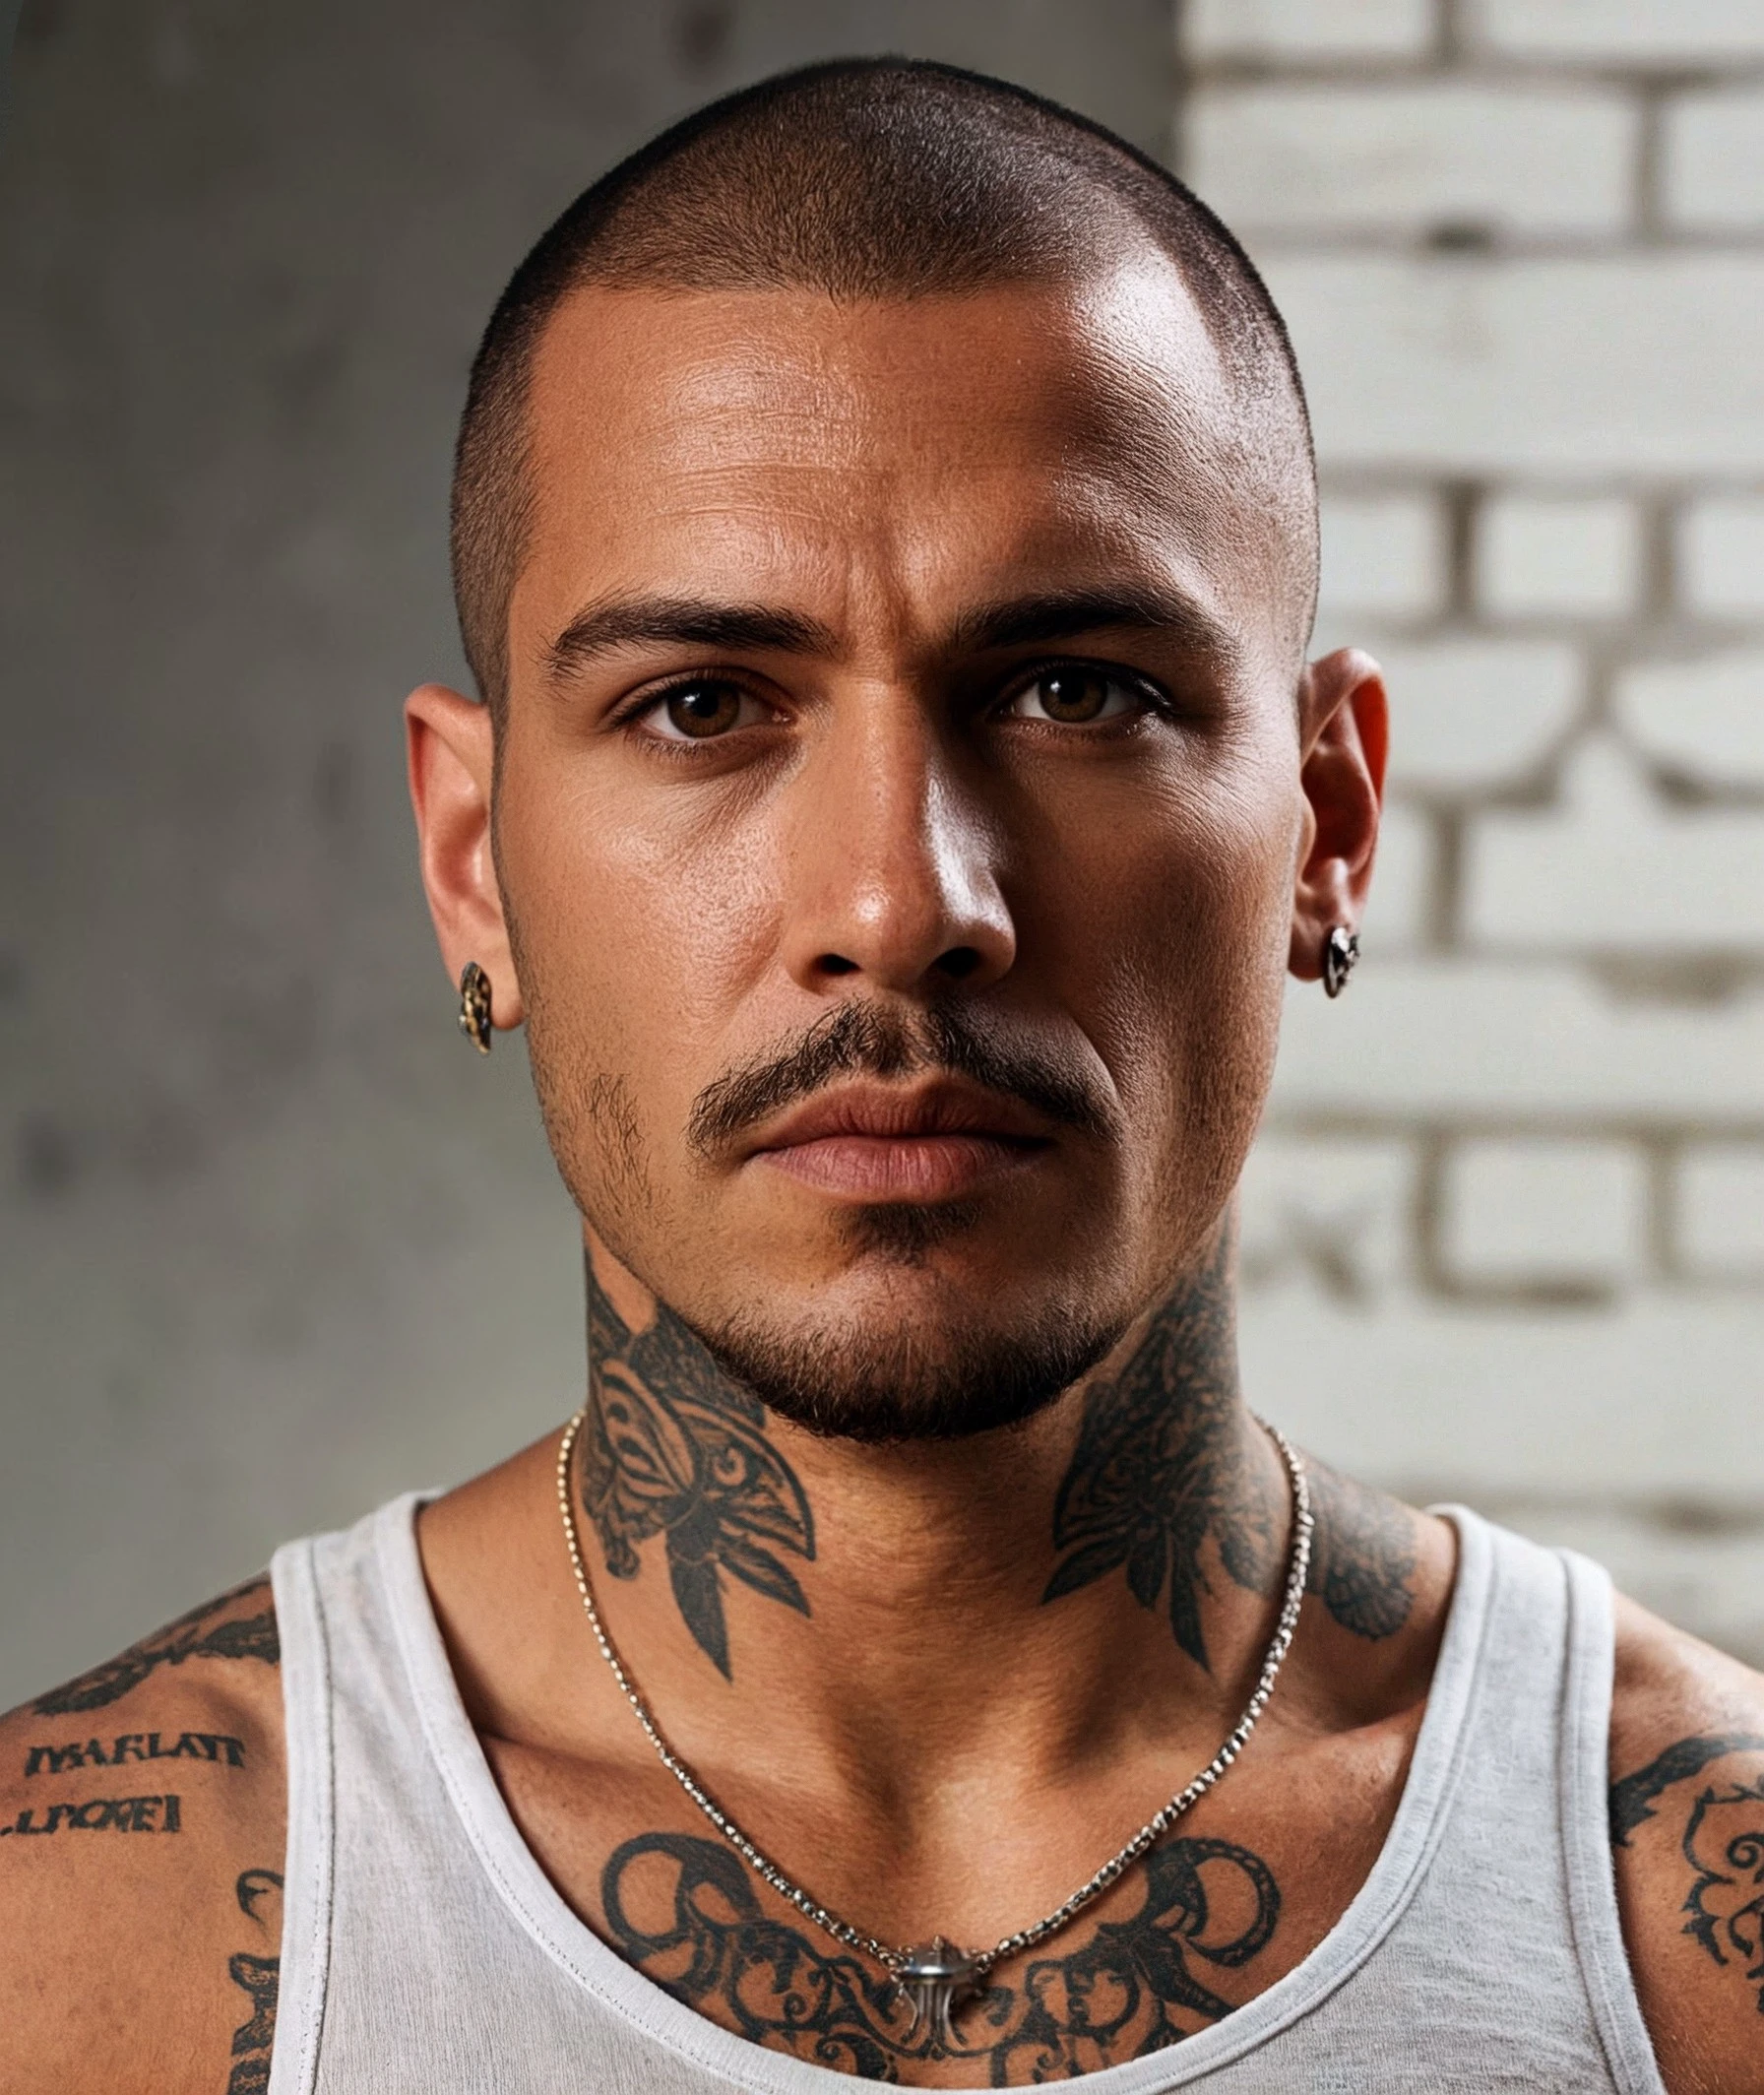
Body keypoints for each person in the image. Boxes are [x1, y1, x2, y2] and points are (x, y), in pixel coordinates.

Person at [3, 58, 1760, 2094]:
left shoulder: (1690, 1935)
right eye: (699, 705)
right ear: (473, 860)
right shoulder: (82, 1942)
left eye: (1074, 689)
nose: (897, 900)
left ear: (1325, 821)